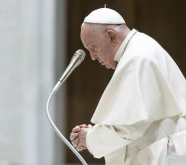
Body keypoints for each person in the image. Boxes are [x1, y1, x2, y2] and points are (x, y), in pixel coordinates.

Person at [69, 7, 186, 165]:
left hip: (161, 154)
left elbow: (129, 128)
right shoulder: (139, 48)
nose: (92, 57)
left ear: (111, 36)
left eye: (93, 48)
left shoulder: (137, 58)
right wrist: (94, 132)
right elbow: (129, 120)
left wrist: (89, 138)